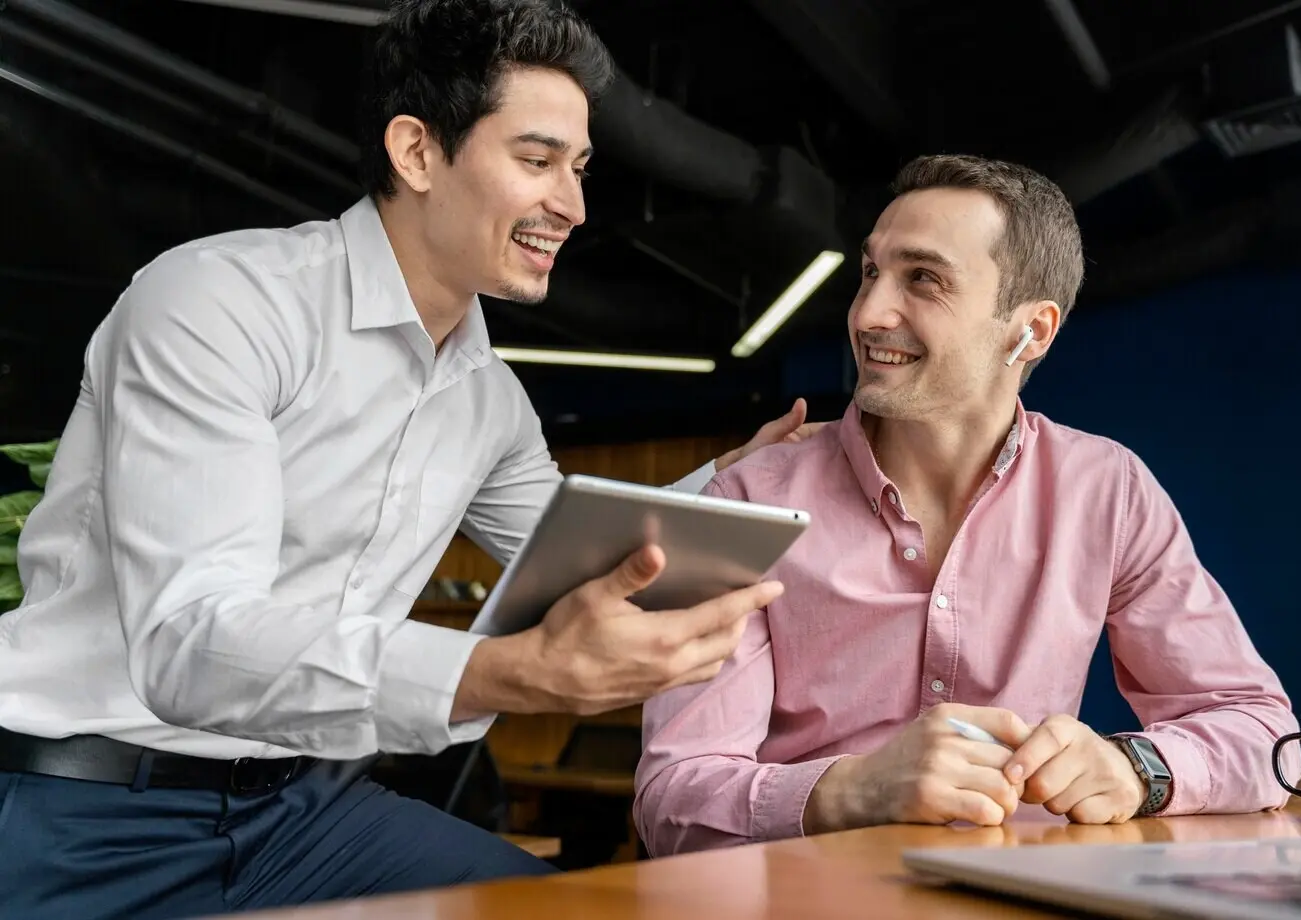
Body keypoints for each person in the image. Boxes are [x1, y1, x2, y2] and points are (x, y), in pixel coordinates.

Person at [0, 1, 812, 916]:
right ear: (418, 152)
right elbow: (191, 641)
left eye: (579, 169)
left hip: (304, 816)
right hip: (85, 806)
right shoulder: (218, 301)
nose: (574, 207)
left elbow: (579, 546)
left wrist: (735, 476)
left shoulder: (488, 398)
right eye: (538, 161)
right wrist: (506, 672)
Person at [633, 153, 1301, 857]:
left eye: (923, 279)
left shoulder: (1108, 490)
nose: (867, 313)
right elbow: (672, 801)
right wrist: (853, 790)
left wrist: (1138, 769)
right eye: (870, 273)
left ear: (1031, 330)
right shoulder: (745, 499)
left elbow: (1260, 731)